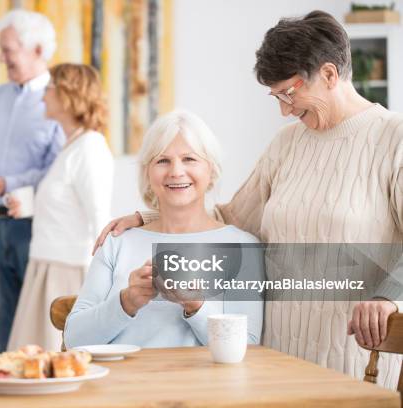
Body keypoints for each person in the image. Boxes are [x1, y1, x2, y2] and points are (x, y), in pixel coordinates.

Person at [93, 11, 403, 387]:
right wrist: (148, 217)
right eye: (276, 97)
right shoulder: (286, 144)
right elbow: (230, 217)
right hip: (276, 357)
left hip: (353, 358)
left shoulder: (393, 140)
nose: (284, 110)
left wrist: (389, 297)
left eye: (289, 93)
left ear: (329, 74)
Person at [64, 110, 264, 349]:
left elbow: (248, 347)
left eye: (189, 159)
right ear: (147, 174)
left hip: (202, 387)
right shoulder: (117, 241)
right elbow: (74, 339)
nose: (176, 172)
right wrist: (126, 302)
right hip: (122, 385)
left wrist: (196, 305)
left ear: (210, 170)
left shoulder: (243, 246)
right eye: (162, 161)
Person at [0, 10, 65, 351]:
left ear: (37, 49)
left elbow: (57, 170)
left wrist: (10, 182)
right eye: (1, 49)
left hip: (32, 226)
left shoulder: (59, 102)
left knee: (36, 329)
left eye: (8, 49)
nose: (1, 57)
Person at [6, 63, 114, 351]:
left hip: (68, 274)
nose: (44, 93)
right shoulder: (72, 147)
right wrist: (30, 205)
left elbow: (100, 219)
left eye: (50, 86)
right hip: (48, 266)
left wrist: (100, 288)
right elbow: (68, 205)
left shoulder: (90, 148)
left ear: (69, 94)